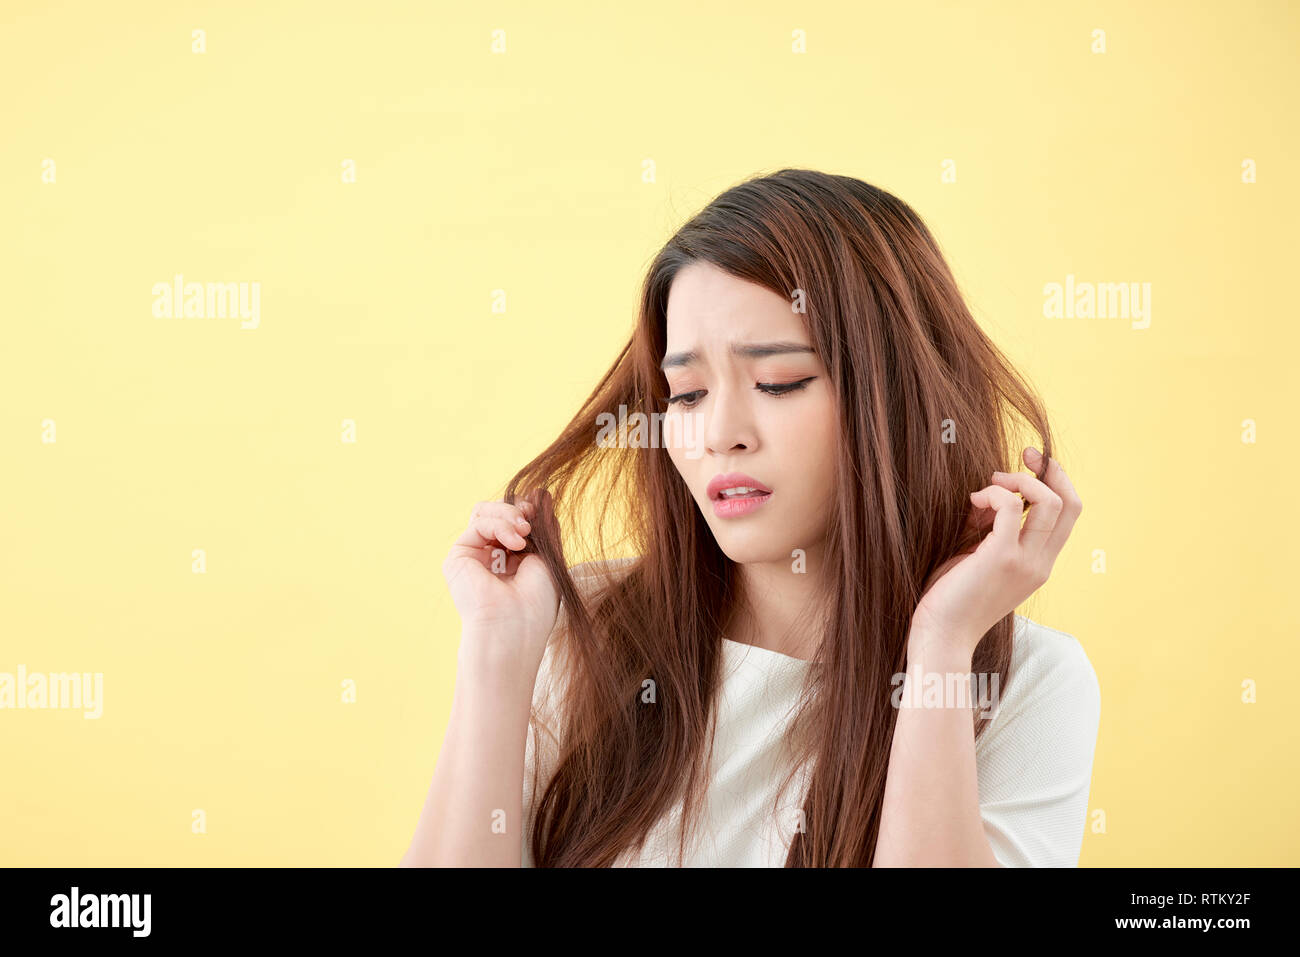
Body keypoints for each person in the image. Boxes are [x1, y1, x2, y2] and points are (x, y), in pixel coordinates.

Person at [401, 168, 1101, 868]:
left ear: (896, 397)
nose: (720, 433)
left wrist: (942, 644)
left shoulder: (1026, 681)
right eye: (689, 393)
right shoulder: (579, 626)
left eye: (777, 382)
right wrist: (497, 653)